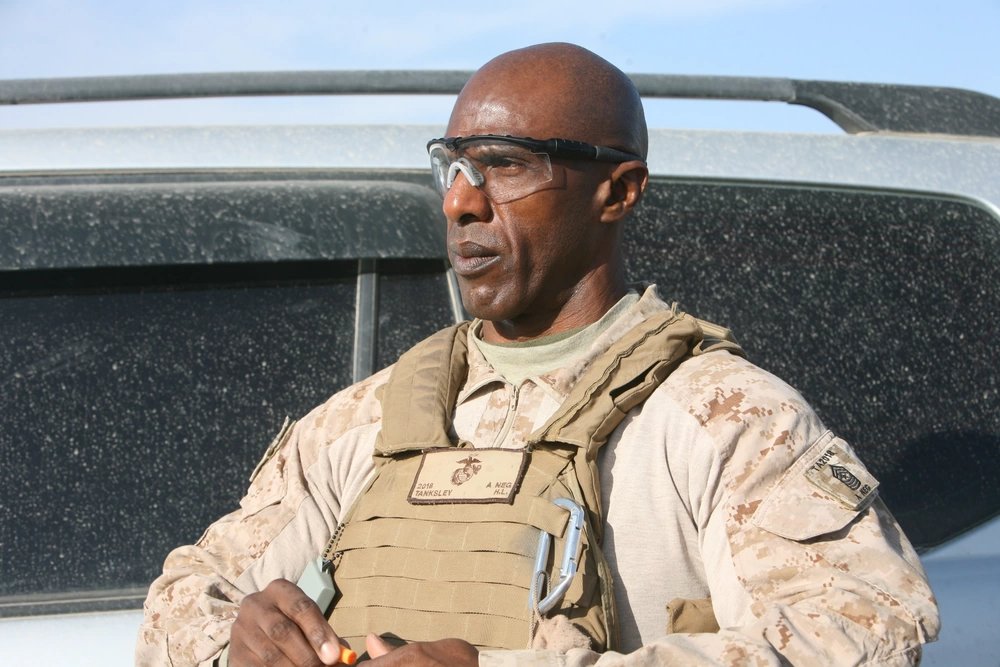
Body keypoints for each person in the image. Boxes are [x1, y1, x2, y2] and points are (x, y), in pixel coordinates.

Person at [137, 43, 939, 666]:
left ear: (618, 191)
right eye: (454, 166)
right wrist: (239, 640)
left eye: (506, 165)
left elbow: (861, 631)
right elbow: (181, 601)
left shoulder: (725, 420)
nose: (460, 200)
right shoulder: (369, 419)